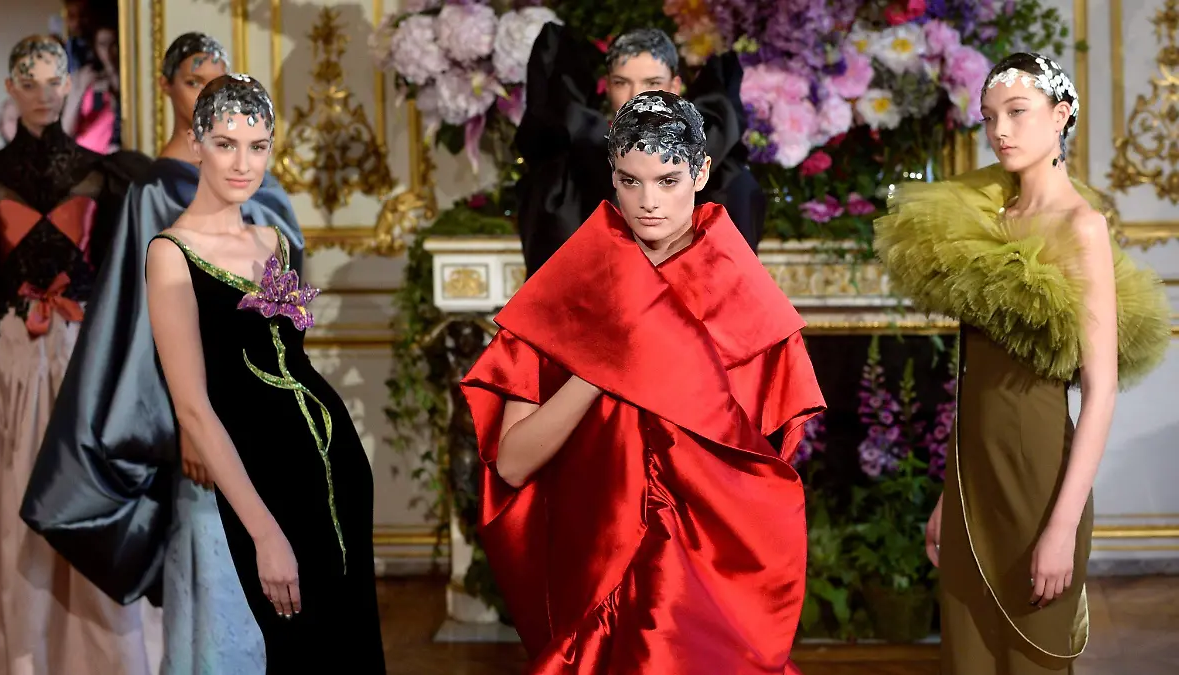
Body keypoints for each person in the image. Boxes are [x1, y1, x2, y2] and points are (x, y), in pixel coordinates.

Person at [460, 90, 824, 674]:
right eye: (631, 181)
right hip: (598, 571)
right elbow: (512, 465)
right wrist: (603, 363)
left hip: (710, 580)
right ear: (612, 176)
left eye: (668, 180)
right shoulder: (570, 288)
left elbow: (761, 477)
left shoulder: (748, 303)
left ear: (701, 174)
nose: (649, 201)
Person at [874, 53, 1171, 674]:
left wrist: (1061, 528)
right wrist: (949, 493)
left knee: (1032, 660)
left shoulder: (1082, 227)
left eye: (1017, 112)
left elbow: (1102, 390)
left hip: (1039, 480)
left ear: (1060, 116)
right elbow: (971, 381)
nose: (1000, 131)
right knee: (967, 661)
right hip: (972, 479)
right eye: (989, 117)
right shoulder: (983, 222)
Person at [22, 33, 303, 675]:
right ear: (169, 88)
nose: (208, 91)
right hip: (200, 414)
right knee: (218, 588)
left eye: (218, 79)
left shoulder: (259, 196)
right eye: (194, 81)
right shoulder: (154, 194)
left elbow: (287, 322)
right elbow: (144, 320)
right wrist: (185, 427)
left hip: (269, 418)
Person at [143, 73, 385, 674]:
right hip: (266, 481)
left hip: (337, 461)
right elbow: (193, 407)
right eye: (225, 144)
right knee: (299, 652)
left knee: (353, 647)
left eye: (257, 146)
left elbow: (294, 360)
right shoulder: (170, 254)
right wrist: (263, 533)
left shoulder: (274, 240)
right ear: (196, 143)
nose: (242, 163)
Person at [0, 34, 152, 675]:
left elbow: (115, 280)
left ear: (71, 84)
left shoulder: (106, 174)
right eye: (30, 82)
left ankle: (93, 657)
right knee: (11, 501)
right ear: (10, 89)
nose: (44, 94)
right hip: (10, 358)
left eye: (55, 81)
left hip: (81, 355)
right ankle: (23, 655)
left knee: (81, 497)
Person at [515, 25, 764, 277]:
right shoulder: (565, 175)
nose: (637, 96)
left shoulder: (724, 175)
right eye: (622, 83)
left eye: (652, 83)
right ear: (608, 87)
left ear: (675, 85)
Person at [62, 14, 121, 153]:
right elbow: (66, 129)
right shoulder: (83, 76)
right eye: (102, 44)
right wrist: (81, 90)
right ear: (94, 46)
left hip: (114, 153)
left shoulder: (128, 78)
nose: (108, 51)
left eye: (112, 44)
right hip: (85, 153)